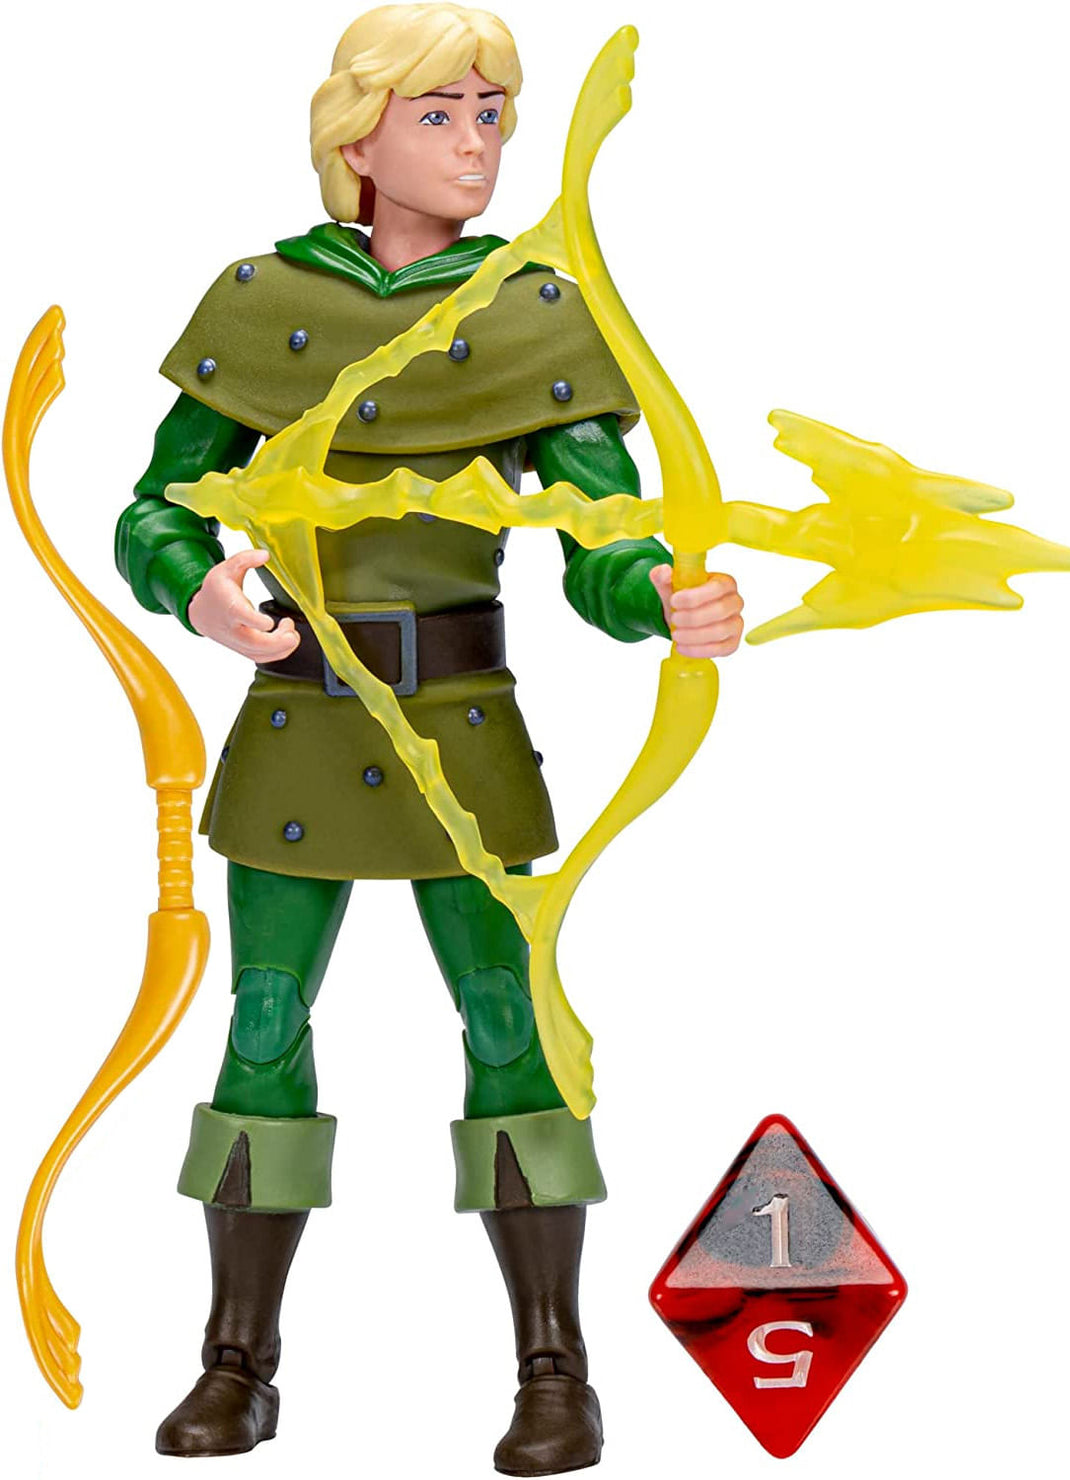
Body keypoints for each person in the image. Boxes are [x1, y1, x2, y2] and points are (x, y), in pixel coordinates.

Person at [114, 5, 743, 1472]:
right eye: (442, 114)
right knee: (262, 1025)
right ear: (360, 137)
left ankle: (553, 1367)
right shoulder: (263, 298)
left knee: (512, 1025)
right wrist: (197, 586)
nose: (476, 145)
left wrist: (659, 596)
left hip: (462, 723)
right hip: (301, 711)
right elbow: (155, 506)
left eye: (492, 116)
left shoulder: (528, 309)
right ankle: (236, 1359)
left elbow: (600, 535)